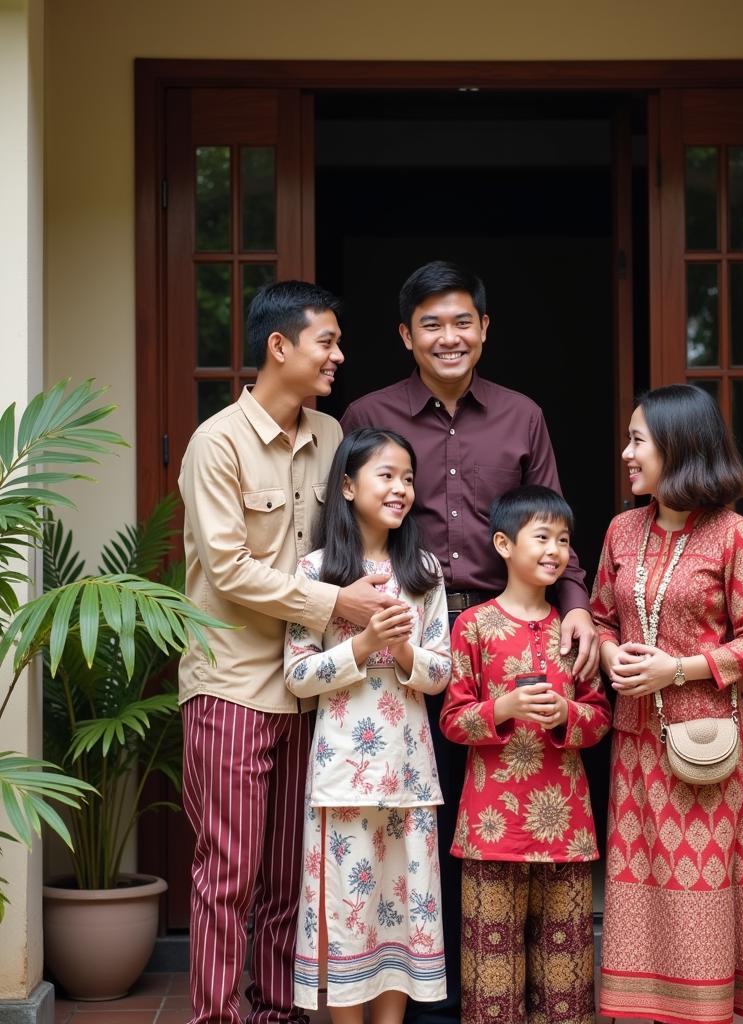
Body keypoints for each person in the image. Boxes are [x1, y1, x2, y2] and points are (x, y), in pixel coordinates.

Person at [340, 260, 600, 1010]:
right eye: (431, 324)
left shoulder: (523, 415)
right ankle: (432, 993)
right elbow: (344, 517)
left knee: (498, 805)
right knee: (424, 813)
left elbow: (551, 520)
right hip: (406, 634)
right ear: (404, 336)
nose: (448, 337)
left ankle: (490, 995)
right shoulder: (367, 414)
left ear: (484, 330)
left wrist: (576, 602)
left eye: (462, 322)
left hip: (505, 632)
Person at [178, 281, 403, 1024]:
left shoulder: (335, 436)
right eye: (327, 342)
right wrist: (338, 604)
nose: (339, 356)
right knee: (229, 877)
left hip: (314, 690)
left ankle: (278, 1012)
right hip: (233, 687)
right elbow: (229, 569)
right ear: (280, 347)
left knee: (286, 880)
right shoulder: (217, 443)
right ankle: (217, 1017)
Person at [591, 384, 743, 1024]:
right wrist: (609, 649)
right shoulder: (621, 530)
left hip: (703, 749)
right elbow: (599, 617)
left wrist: (677, 668)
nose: (627, 453)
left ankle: (704, 1014)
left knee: (698, 894)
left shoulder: (734, 535)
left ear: (678, 447)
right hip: (634, 746)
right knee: (640, 894)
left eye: (638, 440)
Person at [283, 428, 452, 1023]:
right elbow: (298, 675)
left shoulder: (424, 570)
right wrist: (365, 646)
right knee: (347, 913)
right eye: (386, 475)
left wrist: (402, 653)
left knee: (402, 913)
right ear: (348, 486)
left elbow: (440, 673)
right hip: (341, 778)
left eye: (408, 478)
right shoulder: (315, 570)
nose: (401, 488)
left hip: (410, 773)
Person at [439, 485, 611, 1024]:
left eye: (563, 539)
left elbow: (601, 717)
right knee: (492, 983)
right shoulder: (471, 627)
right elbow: (451, 720)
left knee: (567, 981)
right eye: (542, 537)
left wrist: (568, 717)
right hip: (491, 833)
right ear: (503, 544)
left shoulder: (577, 630)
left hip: (567, 829)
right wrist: (504, 707)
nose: (555, 550)